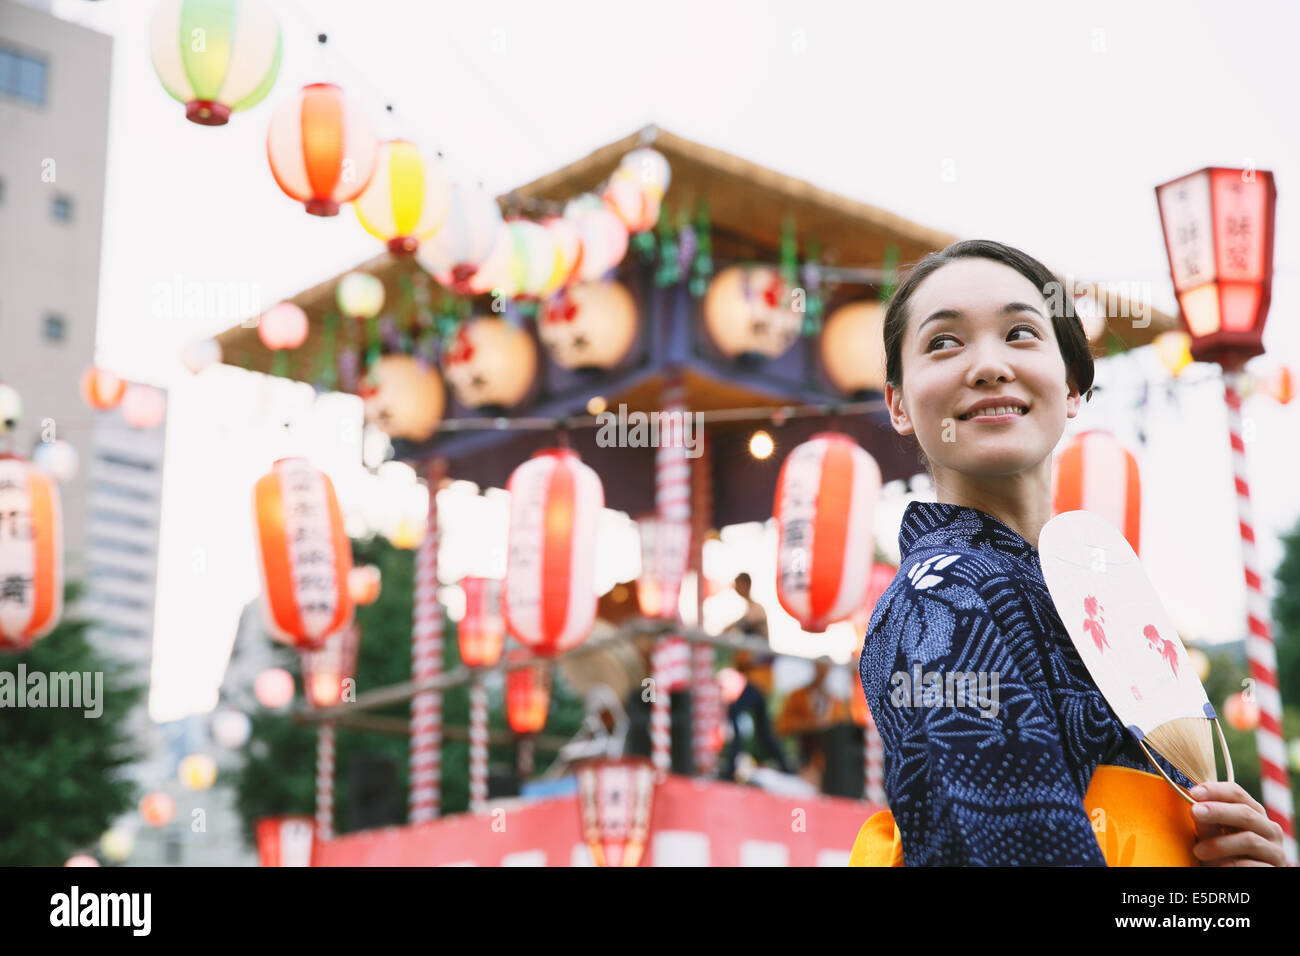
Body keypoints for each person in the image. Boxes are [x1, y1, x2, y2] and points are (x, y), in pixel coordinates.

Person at [852, 239, 1285, 867]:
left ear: (1074, 387)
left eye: (1022, 333)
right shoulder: (941, 597)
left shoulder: (1090, 595)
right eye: (944, 342)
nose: (989, 365)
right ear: (898, 404)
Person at [720, 573, 792, 779]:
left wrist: (728, 628)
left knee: (734, 711)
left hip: (760, 680)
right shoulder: (750, 611)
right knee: (764, 733)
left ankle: (730, 767)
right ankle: (787, 769)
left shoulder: (756, 610)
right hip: (757, 680)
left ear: (745, 584)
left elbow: (744, 624)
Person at [775, 656, 850, 790]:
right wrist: (811, 724)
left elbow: (842, 731)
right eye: (819, 667)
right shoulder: (798, 696)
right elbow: (782, 725)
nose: (822, 671)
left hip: (828, 760)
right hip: (804, 755)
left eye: (825, 668)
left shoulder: (835, 702)